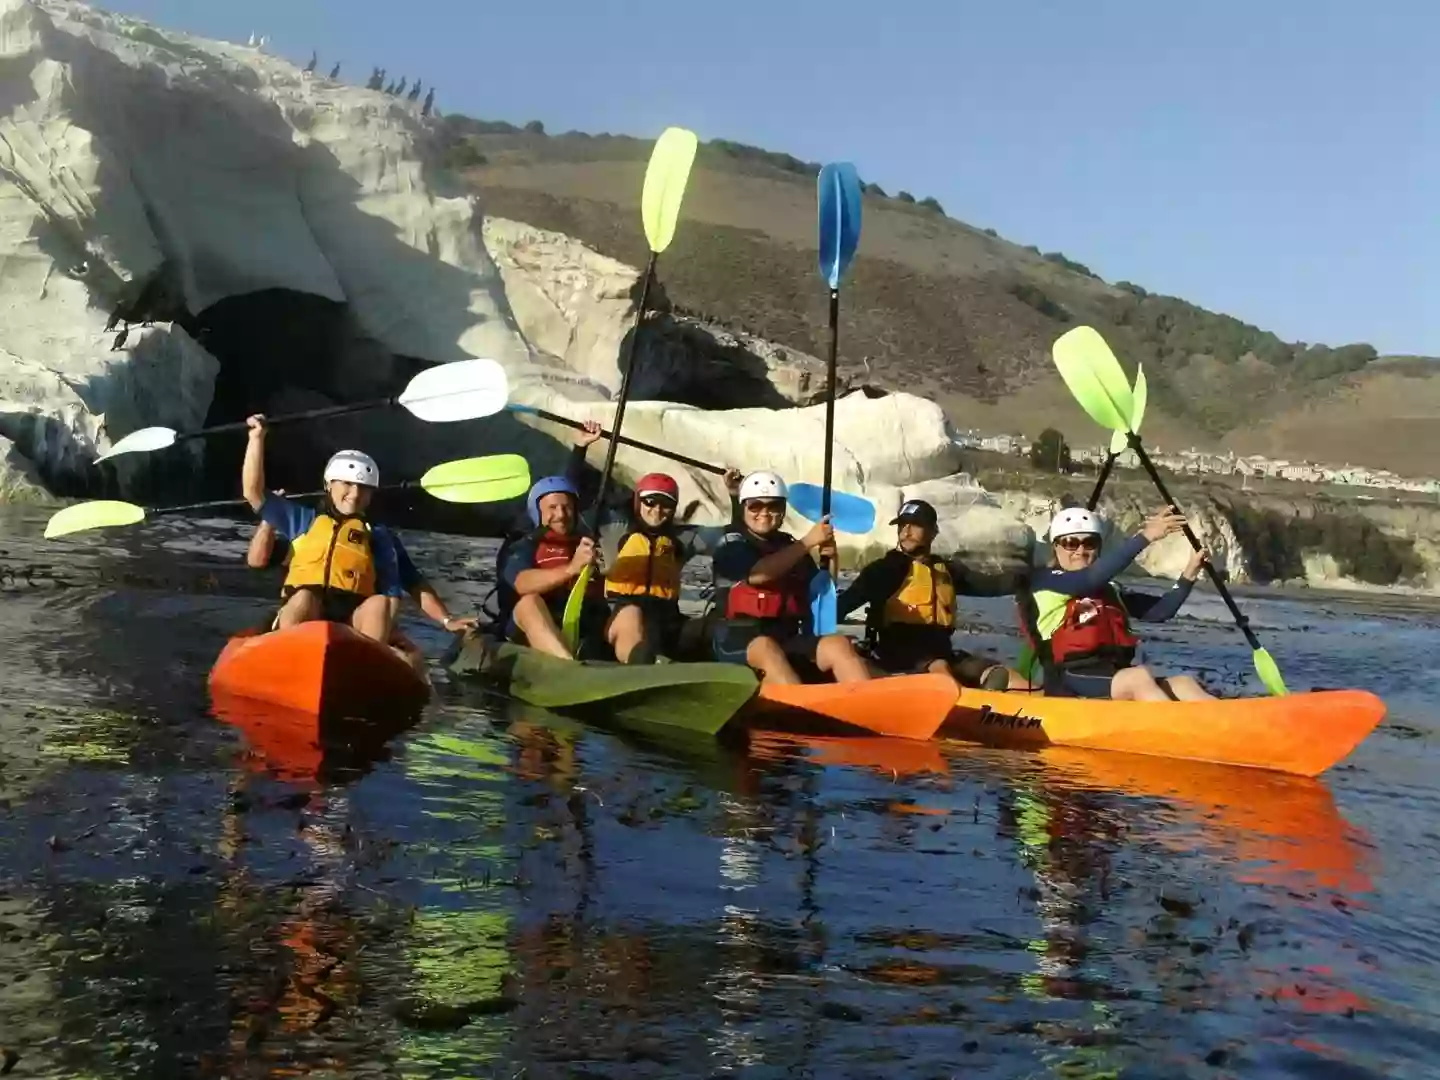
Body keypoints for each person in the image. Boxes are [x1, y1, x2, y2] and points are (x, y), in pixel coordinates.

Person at [240, 415, 474, 664]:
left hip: (353, 618)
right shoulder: (301, 519)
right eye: (347, 484)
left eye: (364, 488)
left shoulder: (379, 535)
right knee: (304, 596)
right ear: (330, 485)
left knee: (379, 603)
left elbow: (415, 583)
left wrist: (447, 620)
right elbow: (253, 493)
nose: (355, 494)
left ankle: (366, 664)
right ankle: (287, 655)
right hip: (309, 615)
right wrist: (256, 438)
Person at [1017, 505, 1215, 701]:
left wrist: (1190, 573)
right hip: (1068, 680)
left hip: (1113, 677)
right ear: (1056, 546)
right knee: (1138, 678)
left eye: (1089, 542)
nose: (1080, 550)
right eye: (1070, 542)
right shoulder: (1045, 582)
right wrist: (1146, 536)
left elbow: (1161, 611)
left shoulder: (1109, 590)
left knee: (1183, 684)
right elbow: (1086, 580)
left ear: (1099, 547)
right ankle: (1172, 729)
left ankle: (1225, 727)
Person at [836, 499, 1034, 689]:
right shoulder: (883, 570)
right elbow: (845, 603)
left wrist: (1030, 578)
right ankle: (963, 712)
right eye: (902, 525)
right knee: (939, 668)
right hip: (898, 657)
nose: (906, 531)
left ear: (933, 531)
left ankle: (1042, 711)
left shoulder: (945, 570)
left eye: (915, 525)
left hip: (943, 654)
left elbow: (990, 585)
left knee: (1001, 675)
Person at [709, 470, 870, 685]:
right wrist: (807, 542)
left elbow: (820, 591)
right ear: (744, 508)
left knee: (838, 644)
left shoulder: (788, 545)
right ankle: (799, 710)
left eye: (773, 506)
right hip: (738, 639)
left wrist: (830, 561)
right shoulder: (730, 543)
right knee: (767, 648)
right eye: (755, 506)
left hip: (787, 635)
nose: (764, 513)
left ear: (783, 510)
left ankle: (866, 702)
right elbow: (758, 575)